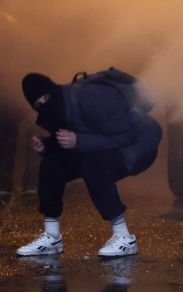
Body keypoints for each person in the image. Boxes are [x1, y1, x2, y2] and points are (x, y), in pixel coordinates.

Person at [15, 71, 163, 257]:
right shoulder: (62, 107)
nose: (42, 106)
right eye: (37, 105)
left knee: (95, 166)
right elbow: (82, 135)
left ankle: (124, 238)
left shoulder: (92, 99)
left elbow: (125, 137)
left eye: (43, 100)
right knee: (52, 165)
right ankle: (52, 236)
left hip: (140, 146)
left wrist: (79, 141)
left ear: (49, 92)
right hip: (108, 143)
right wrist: (48, 146)